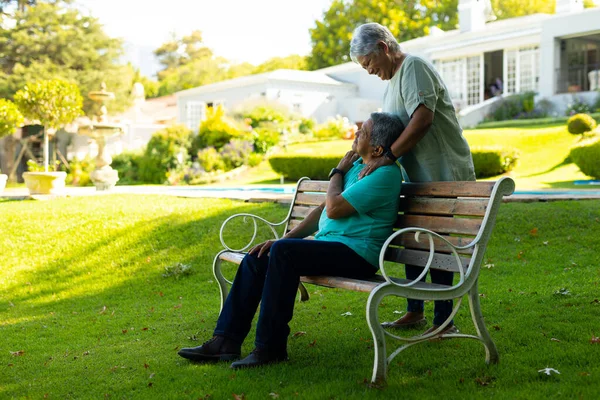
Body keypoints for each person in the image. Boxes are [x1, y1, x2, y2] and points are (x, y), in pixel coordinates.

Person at [178, 112, 405, 368]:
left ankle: (270, 348)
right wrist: (282, 239)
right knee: (259, 256)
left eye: (363, 132)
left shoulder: (384, 175)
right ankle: (225, 341)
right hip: (332, 246)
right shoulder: (358, 167)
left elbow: (334, 208)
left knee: (285, 254)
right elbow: (321, 210)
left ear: (376, 148)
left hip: (357, 254)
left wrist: (336, 172)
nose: (355, 133)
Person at [350, 23, 476, 335]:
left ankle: (443, 321)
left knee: (437, 243)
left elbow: (422, 118)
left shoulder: (414, 68)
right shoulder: (391, 81)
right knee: (415, 238)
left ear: (383, 47)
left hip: (442, 173)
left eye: (369, 63)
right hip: (416, 176)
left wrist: (387, 156)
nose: (368, 71)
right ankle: (414, 310)